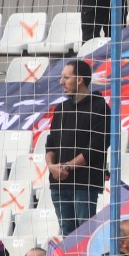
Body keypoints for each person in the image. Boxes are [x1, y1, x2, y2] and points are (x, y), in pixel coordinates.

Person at [44, 59, 111, 236]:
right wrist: (52, 167)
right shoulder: (61, 109)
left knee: (85, 235)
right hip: (58, 182)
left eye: (66, 77)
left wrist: (66, 167)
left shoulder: (99, 107)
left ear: (80, 79)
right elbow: (50, 143)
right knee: (67, 234)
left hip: (84, 183)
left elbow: (97, 147)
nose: (61, 82)